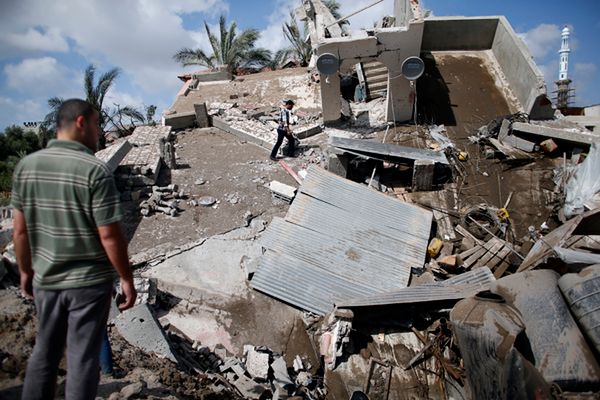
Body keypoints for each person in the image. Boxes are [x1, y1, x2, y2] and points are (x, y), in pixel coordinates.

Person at [12, 98, 137, 400]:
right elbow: (109, 235)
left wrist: (26, 272)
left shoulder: (26, 167)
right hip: (89, 284)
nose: (99, 132)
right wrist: (126, 279)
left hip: (47, 280)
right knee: (82, 359)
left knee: (45, 352)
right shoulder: (94, 171)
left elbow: (20, 231)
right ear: (81, 123)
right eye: (96, 124)